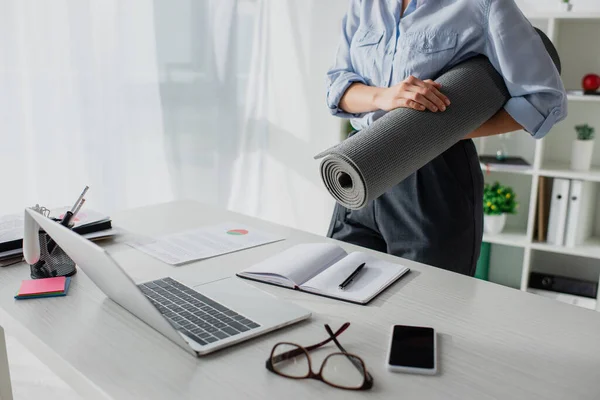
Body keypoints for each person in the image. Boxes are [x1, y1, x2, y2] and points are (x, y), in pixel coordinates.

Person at [325, 0, 567, 276]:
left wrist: (436, 132)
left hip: (433, 178)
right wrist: (384, 96)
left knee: (426, 308)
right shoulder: (365, 5)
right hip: (360, 166)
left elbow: (544, 100)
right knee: (339, 296)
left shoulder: (483, 4)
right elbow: (337, 87)